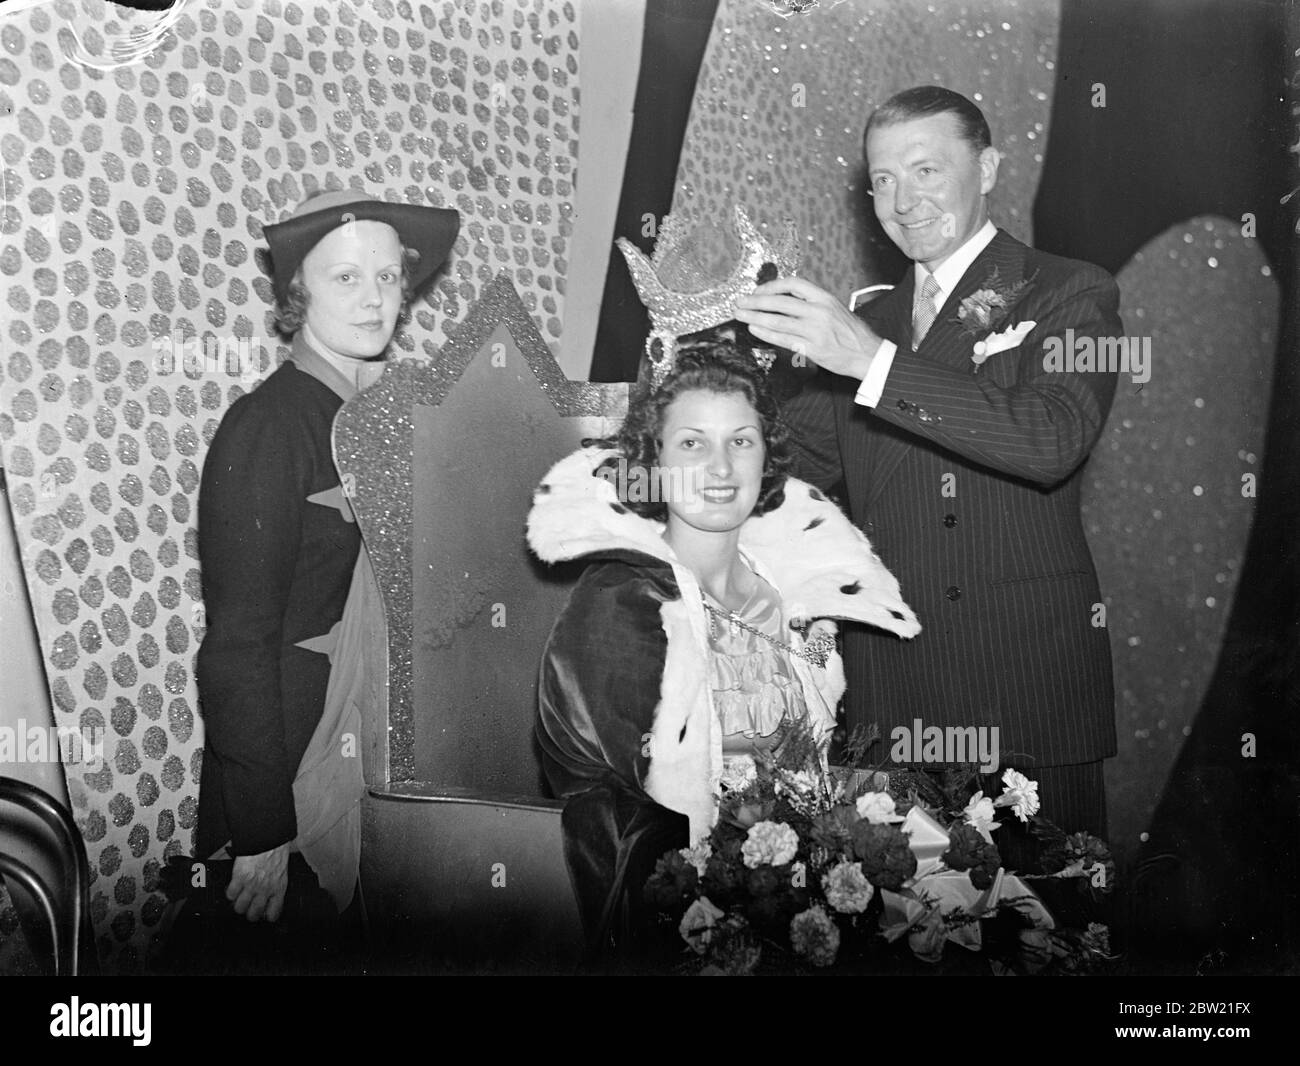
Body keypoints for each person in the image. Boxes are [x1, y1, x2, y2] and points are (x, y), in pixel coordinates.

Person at [734, 85, 1121, 841]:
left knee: (1046, 936)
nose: (901, 201)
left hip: (1022, 694)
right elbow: (788, 470)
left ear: (988, 168)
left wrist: (871, 361)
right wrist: (702, 409)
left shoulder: (1071, 290)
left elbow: (1051, 439)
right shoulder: (866, 321)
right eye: (882, 179)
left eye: (926, 172)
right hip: (890, 698)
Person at [528, 338, 919, 956]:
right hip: (670, 911)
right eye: (692, 443)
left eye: (741, 441)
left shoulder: (796, 598)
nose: (720, 467)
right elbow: (666, 796)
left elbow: (816, 759)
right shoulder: (619, 604)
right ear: (651, 458)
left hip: (796, 895)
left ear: (768, 457)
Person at [189, 189, 458, 967]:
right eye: (346, 278)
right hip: (295, 794)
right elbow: (236, 648)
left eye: (387, 277)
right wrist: (263, 831)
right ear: (298, 294)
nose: (374, 299)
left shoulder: (411, 424)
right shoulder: (266, 426)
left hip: (395, 779)